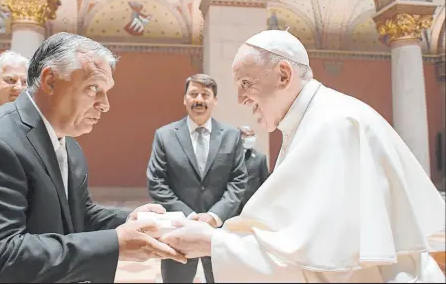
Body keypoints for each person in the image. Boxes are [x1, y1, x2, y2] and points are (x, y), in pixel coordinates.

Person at [160, 30, 446, 282]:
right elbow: (294, 243)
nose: (240, 98)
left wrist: (214, 243)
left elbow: (324, 263)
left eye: (246, 83)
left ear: (284, 74)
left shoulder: (334, 125)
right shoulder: (309, 123)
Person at [0, 32, 185, 283]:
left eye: (106, 92)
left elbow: (77, 213)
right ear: (50, 80)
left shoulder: (67, 143)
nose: (105, 104)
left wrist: (130, 221)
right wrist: (116, 244)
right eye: (93, 88)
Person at [147, 73, 247, 283]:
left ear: (215, 100)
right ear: (185, 99)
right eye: (193, 94)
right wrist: (189, 215)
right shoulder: (165, 135)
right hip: (178, 228)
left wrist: (213, 216)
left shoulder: (231, 136)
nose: (199, 100)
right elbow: (156, 182)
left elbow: (238, 181)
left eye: (205, 94)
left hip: (219, 230)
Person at [237, 125, 269, 214]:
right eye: (246, 135)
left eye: (252, 135)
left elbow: (264, 183)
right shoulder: (231, 158)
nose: (250, 138)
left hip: (252, 205)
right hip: (234, 205)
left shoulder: (260, 158)